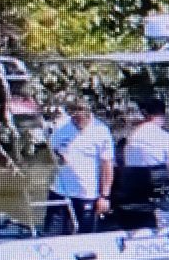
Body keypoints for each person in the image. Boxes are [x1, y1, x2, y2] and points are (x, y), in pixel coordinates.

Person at [43, 97, 115, 235]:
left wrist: (105, 196)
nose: (76, 117)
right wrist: (57, 156)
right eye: (73, 112)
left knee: (85, 235)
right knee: (51, 234)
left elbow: (107, 165)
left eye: (80, 112)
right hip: (60, 191)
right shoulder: (61, 128)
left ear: (88, 112)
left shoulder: (101, 131)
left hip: (87, 194)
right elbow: (49, 153)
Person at [123, 97, 169, 229]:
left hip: (134, 189)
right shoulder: (165, 137)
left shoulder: (131, 138)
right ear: (162, 115)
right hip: (156, 190)